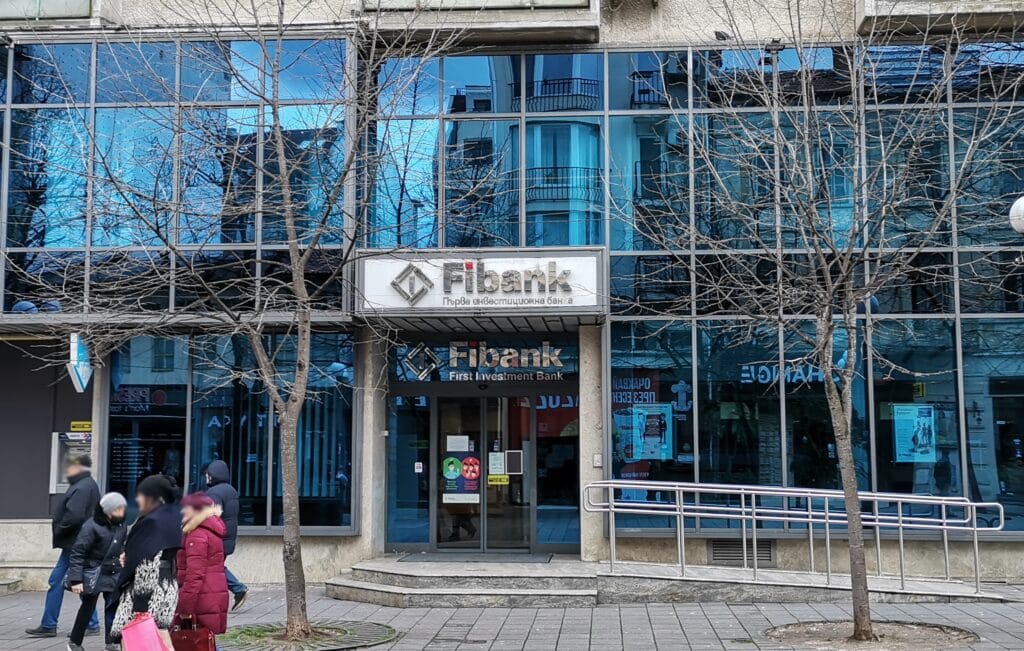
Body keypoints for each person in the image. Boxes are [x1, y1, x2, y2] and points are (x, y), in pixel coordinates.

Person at [26, 454, 100, 638]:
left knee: (59, 581)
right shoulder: (87, 484)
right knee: (75, 581)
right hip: (80, 541)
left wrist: (60, 529)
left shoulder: (82, 487)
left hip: (75, 542)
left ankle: (50, 624)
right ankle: (89, 623)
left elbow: (74, 515)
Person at [111, 475, 181, 649]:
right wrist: (129, 556)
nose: (138, 499)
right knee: (161, 636)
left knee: (132, 636)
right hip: (167, 585)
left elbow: (147, 563)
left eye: (141, 495)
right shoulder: (172, 518)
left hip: (147, 591)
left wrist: (140, 605)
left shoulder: (151, 521)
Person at [66, 492, 128, 651]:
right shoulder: (91, 526)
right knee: (87, 608)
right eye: (117, 509)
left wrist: (123, 554)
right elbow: (78, 553)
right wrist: (76, 580)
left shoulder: (121, 525)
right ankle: (74, 642)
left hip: (113, 572)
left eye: (122, 508)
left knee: (112, 608)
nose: (121, 512)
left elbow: (122, 544)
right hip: (94, 573)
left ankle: (111, 643)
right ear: (107, 510)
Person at [174, 492, 230, 644]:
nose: (183, 511)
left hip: (201, 596)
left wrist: (185, 607)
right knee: (205, 640)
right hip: (212, 592)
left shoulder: (196, 535)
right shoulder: (211, 530)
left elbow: (194, 574)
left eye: (187, 508)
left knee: (198, 640)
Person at [204, 460, 248, 610]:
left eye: (208, 475)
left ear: (213, 475)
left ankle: (238, 589)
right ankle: (237, 590)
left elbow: (210, 517)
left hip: (217, 538)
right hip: (228, 537)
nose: (206, 477)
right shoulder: (231, 490)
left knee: (211, 568)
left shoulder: (214, 493)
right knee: (214, 567)